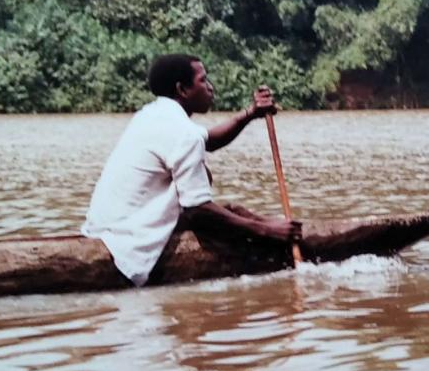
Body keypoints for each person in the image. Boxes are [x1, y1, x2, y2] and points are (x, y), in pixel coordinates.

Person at [82, 53, 302, 286]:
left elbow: (210, 140)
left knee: (230, 207)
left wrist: (251, 113)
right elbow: (197, 210)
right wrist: (265, 230)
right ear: (182, 89)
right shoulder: (183, 133)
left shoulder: (152, 114)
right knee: (208, 190)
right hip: (128, 240)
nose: (210, 87)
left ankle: (282, 228)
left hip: (103, 226)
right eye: (203, 80)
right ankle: (280, 232)